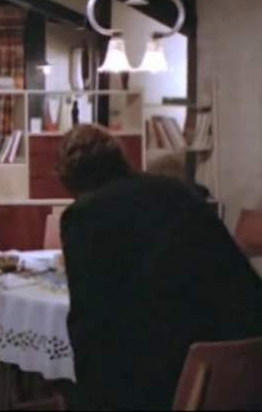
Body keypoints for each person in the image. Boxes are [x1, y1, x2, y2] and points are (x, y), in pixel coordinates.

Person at [57, 124, 262, 410]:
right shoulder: (177, 190)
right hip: (243, 361)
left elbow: (89, 320)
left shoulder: (84, 215)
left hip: (171, 376)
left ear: (69, 180)